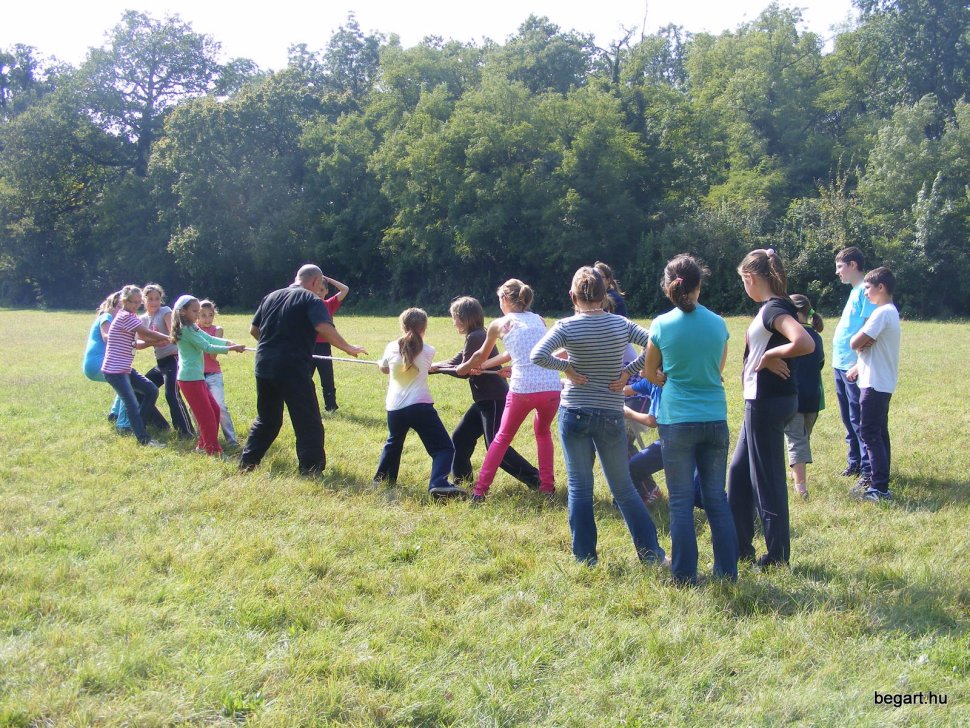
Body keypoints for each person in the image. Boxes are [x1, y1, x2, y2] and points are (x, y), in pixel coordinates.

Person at [531, 266, 666, 566]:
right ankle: (651, 555)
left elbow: (537, 355)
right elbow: (656, 343)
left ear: (572, 296)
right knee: (624, 488)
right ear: (605, 295)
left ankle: (585, 559)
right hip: (610, 412)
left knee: (579, 489)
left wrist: (566, 368)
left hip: (574, 412)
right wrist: (629, 372)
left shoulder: (566, 326)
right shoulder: (620, 323)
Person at [625, 254, 738, 584]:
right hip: (714, 417)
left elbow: (648, 372)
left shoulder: (661, 325)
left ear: (668, 287)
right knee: (716, 499)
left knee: (680, 502)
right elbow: (717, 370)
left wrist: (663, 377)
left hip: (677, 421)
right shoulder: (718, 323)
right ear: (699, 285)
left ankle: (685, 574)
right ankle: (727, 572)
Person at [728, 249, 815, 568]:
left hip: (767, 402)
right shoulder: (775, 306)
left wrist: (768, 357)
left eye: (743, 280)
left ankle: (777, 557)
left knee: (767, 481)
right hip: (765, 401)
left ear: (751, 277)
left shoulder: (773, 309)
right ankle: (740, 547)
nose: (744, 287)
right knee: (739, 474)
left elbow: (805, 342)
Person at [240, 264, 367, 475]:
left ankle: (247, 463)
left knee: (267, 420)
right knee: (308, 421)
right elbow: (323, 327)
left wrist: (271, 347)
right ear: (316, 281)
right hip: (292, 368)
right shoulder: (311, 299)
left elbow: (254, 329)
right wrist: (348, 347)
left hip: (264, 366)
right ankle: (311, 469)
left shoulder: (271, 296)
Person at [458, 281, 562, 501]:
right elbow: (517, 353)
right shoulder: (539, 320)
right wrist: (485, 366)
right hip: (551, 388)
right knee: (543, 434)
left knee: (501, 438)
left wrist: (465, 367)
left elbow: (479, 355)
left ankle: (480, 491)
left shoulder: (500, 324)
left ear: (505, 298)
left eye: (499, 299)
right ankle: (547, 488)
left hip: (523, 389)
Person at [432, 296, 542, 492]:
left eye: (454, 317)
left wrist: (438, 369)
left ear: (463, 318)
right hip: (484, 400)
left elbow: (464, 371)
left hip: (493, 400)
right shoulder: (477, 334)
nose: (453, 322)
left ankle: (536, 479)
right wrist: (435, 366)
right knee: (460, 438)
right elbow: (460, 359)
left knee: (495, 447)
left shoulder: (476, 336)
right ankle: (462, 481)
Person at [374, 308, 464, 498]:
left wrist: (380, 363)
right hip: (420, 406)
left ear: (402, 326)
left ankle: (381, 481)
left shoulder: (390, 347)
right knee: (443, 448)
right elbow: (423, 365)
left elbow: (385, 369)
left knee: (394, 442)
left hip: (395, 408)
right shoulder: (429, 350)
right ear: (424, 328)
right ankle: (438, 483)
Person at [170, 295, 247, 456]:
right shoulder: (185, 330)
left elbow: (209, 338)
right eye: (195, 311)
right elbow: (207, 347)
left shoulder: (192, 326)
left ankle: (203, 445)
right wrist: (232, 349)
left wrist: (229, 343)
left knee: (215, 410)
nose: (197, 314)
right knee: (207, 418)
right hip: (189, 380)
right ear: (183, 312)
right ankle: (213, 451)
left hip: (196, 378)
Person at [848, 267, 900, 503]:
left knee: (869, 432)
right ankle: (882, 480)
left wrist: (860, 342)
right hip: (881, 381)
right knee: (879, 431)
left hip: (874, 383)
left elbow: (854, 342)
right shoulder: (891, 312)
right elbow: (867, 345)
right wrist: (859, 362)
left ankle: (879, 487)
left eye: (868, 288)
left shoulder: (881, 313)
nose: (865, 292)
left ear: (881, 287)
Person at [101, 285, 174, 447]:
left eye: (137, 302)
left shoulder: (130, 316)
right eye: (131, 302)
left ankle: (139, 426)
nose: (135, 305)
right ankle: (143, 439)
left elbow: (140, 341)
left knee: (151, 390)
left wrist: (157, 342)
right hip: (115, 371)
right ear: (124, 301)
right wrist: (169, 337)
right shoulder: (125, 316)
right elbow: (146, 333)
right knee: (131, 403)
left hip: (124, 369)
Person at [831, 247, 876, 489]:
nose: (837, 272)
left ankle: (869, 469)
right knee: (848, 419)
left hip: (852, 367)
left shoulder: (865, 292)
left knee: (859, 419)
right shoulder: (854, 291)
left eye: (840, 266)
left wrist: (859, 364)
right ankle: (855, 462)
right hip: (840, 365)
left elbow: (870, 329)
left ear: (853, 265)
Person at [784, 294, 825, 500]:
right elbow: (820, 364)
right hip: (814, 399)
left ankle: (800, 488)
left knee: (796, 441)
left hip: (794, 398)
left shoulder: (791, 337)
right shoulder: (817, 337)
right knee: (802, 438)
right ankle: (796, 475)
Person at [141, 283, 193, 436]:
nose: (154, 302)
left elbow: (173, 334)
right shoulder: (142, 319)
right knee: (140, 390)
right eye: (150, 299)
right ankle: (161, 426)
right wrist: (155, 341)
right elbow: (141, 341)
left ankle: (186, 432)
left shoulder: (165, 311)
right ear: (144, 300)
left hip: (173, 358)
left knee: (171, 394)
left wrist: (154, 340)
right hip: (161, 363)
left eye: (157, 298)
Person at [83, 291, 130, 432]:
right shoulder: (106, 316)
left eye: (123, 308)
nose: (120, 311)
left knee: (124, 381)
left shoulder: (110, 319)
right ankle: (123, 424)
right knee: (127, 383)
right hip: (97, 363)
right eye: (118, 307)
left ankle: (114, 414)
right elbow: (106, 336)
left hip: (95, 364)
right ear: (110, 306)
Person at [198, 299, 240, 448]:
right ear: (197, 316)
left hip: (213, 374)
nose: (207, 319)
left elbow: (212, 355)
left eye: (210, 315)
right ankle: (204, 439)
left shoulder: (218, 329)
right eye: (203, 315)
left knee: (220, 406)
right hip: (196, 375)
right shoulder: (193, 330)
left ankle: (231, 440)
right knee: (197, 408)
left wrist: (228, 346)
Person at [312, 274, 350, 413]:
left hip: (324, 347)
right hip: (307, 346)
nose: (318, 292)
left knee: (327, 379)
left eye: (322, 290)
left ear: (327, 291)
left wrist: (326, 279)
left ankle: (331, 407)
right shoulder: (306, 305)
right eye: (316, 289)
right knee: (304, 378)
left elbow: (345, 289)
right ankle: (308, 406)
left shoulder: (329, 304)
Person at [594, 261, 636, 363]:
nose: (595, 280)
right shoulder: (596, 299)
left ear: (608, 280)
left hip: (619, 356)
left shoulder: (613, 299)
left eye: (599, 277)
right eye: (593, 276)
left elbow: (618, 333)